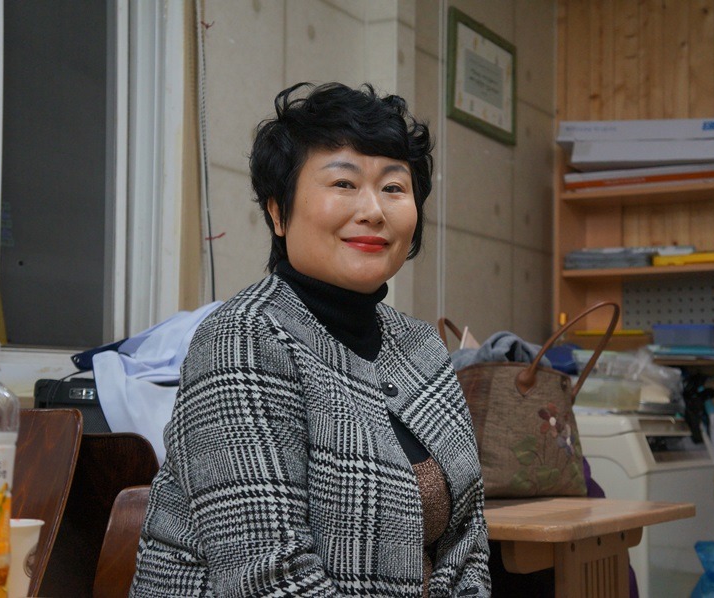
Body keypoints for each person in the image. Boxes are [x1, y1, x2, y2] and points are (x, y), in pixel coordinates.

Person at [130, 82, 491, 597]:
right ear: (279, 212)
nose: (374, 210)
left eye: (394, 188)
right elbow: (268, 579)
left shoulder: (420, 346)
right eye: (344, 183)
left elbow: (467, 544)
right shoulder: (244, 339)